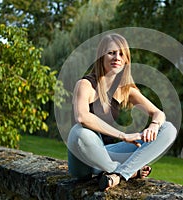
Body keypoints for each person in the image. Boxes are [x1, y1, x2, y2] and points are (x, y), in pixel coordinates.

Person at [67, 33, 177, 191]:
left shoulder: (125, 89)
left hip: (106, 153)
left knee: (168, 128)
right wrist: (123, 136)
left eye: (121, 54)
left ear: (126, 60)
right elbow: (82, 117)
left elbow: (158, 113)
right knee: (79, 132)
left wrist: (153, 125)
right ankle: (129, 171)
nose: (116, 57)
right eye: (111, 53)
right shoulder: (85, 84)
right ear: (101, 57)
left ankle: (119, 174)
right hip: (82, 158)